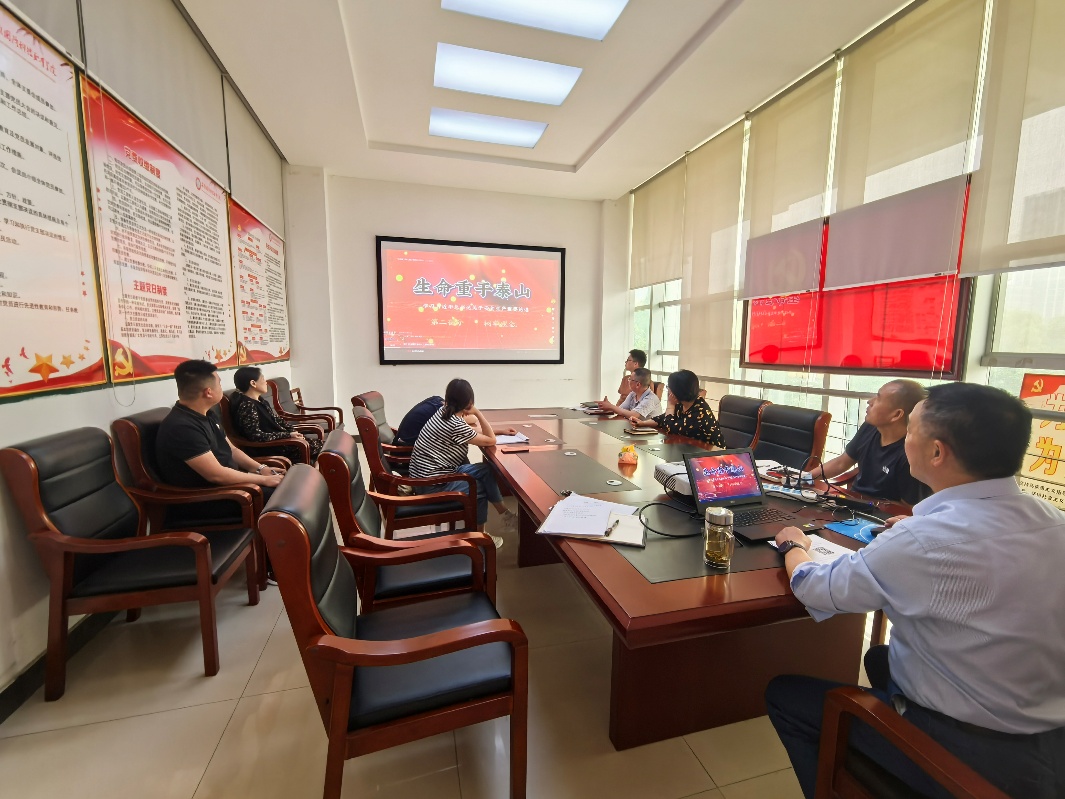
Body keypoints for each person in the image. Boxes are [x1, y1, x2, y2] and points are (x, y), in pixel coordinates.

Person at [766, 383, 1065, 799]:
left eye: (911, 431)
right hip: (1049, 737)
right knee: (879, 657)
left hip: (972, 754)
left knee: (785, 695)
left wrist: (795, 545)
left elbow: (817, 589)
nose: (905, 439)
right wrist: (914, 533)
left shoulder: (924, 541)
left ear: (937, 452)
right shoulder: (1053, 520)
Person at [408, 379, 519, 548]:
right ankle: (480, 536)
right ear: (469, 403)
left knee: (485, 470)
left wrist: (501, 430)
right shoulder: (454, 424)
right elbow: (490, 440)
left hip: (430, 475)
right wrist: (478, 413)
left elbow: (472, 431)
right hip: (432, 485)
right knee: (478, 488)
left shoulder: (443, 412)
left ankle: (505, 514)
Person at [156, 360, 285, 492]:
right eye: (219, 384)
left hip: (233, 483)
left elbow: (232, 450)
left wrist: (261, 469)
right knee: (284, 490)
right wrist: (264, 480)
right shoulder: (182, 428)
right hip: (213, 494)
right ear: (208, 392)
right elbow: (217, 475)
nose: (221, 388)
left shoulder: (208, 414)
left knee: (287, 482)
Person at [814, 379, 930, 505]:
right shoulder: (870, 427)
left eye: (878, 398)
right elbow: (841, 463)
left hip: (881, 513)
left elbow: (908, 508)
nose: (870, 401)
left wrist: (869, 507)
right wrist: (804, 478)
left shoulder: (911, 453)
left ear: (896, 414)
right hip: (853, 502)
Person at [230, 366, 322, 463]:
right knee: (322, 449)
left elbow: (276, 419)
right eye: (262, 379)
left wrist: (293, 431)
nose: (266, 382)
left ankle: (317, 468)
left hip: (281, 442)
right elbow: (256, 436)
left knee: (323, 447)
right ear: (253, 383)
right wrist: (288, 435)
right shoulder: (247, 406)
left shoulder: (260, 400)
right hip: (270, 447)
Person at [631, 369, 725, 447]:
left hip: (712, 455)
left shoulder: (700, 411)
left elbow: (671, 429)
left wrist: (670, 405)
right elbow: (663, 418)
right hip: (690, 448)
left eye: (668, 387)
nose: (668, 390)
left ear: (677, 391)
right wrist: (643, 423)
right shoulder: (682, 403)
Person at [596, 368, 661, 421]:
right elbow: (621, 409)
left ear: (638, 384)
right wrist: (609, 407)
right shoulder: (633, 394)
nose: (628, 381)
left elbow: (633, 415)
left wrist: (611, 407)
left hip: (650, 430)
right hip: (635, 427)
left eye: (630, 379)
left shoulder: (651, 399)